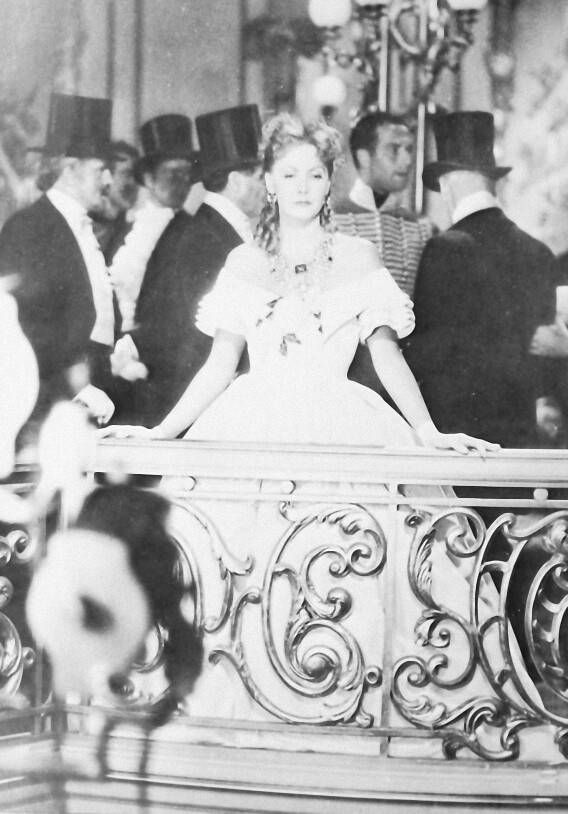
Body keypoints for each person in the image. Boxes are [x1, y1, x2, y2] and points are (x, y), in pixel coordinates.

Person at [99, 114, 507, 734]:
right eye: (288, 174)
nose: (302, 187)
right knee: (244, 569)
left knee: (348, 570)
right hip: (252, 424)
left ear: (330, 181)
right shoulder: (243, 261)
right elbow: (219, 365)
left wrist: (427, 432)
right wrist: (162, 433)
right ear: (267, 180)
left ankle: (352, 707)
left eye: (315, 175)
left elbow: (386, 355)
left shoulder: (358, 256)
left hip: (341, 424)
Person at [405, 111, 561, 449]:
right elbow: (543, 358)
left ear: (448, 183)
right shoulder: (539, 253)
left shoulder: (444, 248)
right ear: (490, 180)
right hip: (519, 436)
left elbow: (425, 352)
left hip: (457, 436)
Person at [0, 93, 117, 438]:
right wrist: (74, 386)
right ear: (69, 169)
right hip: (50, 404)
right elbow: (25, 326)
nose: (109, 180)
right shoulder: (30, 228)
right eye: (100, 169)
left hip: (89, 393)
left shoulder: (80, 226)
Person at [108, 114, 200, 424]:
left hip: (159, 369)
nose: (182, 182)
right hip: (114, 364)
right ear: (148, 178)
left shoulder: (191, 232)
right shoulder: (124, 230)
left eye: (187, 174)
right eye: (173, 173)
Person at [333, 110, 432, 393]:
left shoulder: (422, 227)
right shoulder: (330, 219)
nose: (407, 160)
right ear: (364, 157)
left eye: (409, 149)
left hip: (405, 376)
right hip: (344, 375)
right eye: (394, 149)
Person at [89, 139, 140, 261]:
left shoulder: (131, 233)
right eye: (126, 174)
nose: (133, 183)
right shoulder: (85, 227)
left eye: (136, 176)